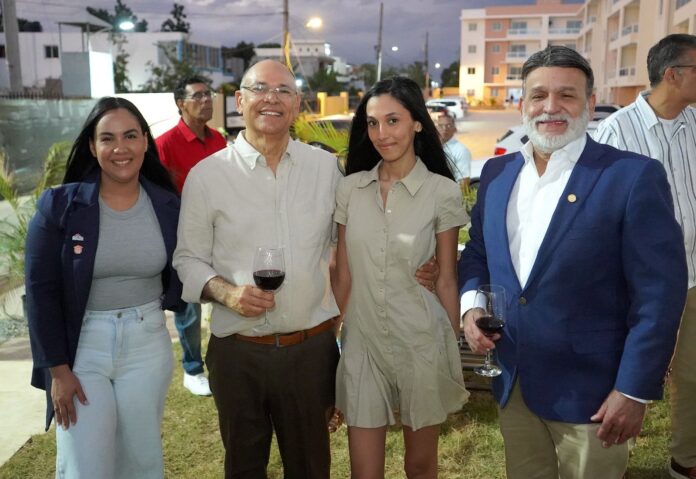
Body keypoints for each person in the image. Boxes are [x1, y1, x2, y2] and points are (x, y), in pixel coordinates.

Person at [173, 60, 438, 478]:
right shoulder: (207, 176)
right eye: (260, 88)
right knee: (243, 467)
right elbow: (187, 259)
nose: (272, 98)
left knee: (312, 467)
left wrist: (421, 260)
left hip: (310, 351)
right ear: (239, 100)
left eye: (284, 91)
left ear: (297, 105)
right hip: (237, 352)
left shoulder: (325, 169)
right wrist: (226, 293)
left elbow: (355, 242)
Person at [458, 45, 687, 479]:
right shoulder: (497, 175)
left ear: (589, 102)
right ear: (522, 104)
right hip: (514, 383)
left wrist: (633, 390)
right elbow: (478, 253)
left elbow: (658, 296)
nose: (551, 107)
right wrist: (472, 307)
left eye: (566, 95)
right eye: (538, 95)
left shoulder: (632, 176)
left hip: (594, 395)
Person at [25, 97, 184, 478]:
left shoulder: (168, 205)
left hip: (147, 343)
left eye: (130, 136)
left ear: (145, 141)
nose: (120, 148)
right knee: (86, 465)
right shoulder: (59, 206)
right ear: (93, 147)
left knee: (141, 462)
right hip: (82, 350)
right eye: (107, 138)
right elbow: (40, 291)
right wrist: (58, 372)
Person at [332, 76, 469, 478]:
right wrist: (328, 346)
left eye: (393, 121)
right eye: (373, 123)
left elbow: (446, 278)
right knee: (364, 472)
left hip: (421, 341)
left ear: (417, 123)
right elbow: (343, 274)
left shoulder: (442, 192)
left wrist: (451, 350)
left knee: (420, 466)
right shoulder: (350, 189)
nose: (381, 133)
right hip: (362, 344)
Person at [594, 33, 696, 479]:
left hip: (693, 276)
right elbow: (603, 213)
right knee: (626, 375)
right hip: (637, 285)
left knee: (693, 376)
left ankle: (685, 461)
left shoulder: (695, 123)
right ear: (673, 74)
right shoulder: (616, 132)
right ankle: (610, 461)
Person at [156, 75, 227, 396]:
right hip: (182, 235)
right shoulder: (164, 145)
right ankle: (193, 369)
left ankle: (221, 363)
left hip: (220, 233)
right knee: (189, 307)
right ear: (180, 104)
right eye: (197, 96)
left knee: (224, 298)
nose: (206, 100)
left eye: (208, 94)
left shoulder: (218, 140)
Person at [436, 112, 472, 187]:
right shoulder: (430, 147)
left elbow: (464, 180)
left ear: (455, 129)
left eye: (448, 125)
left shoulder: (461, 150)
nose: (445, 129)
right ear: (435, 128)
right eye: (441, 126)